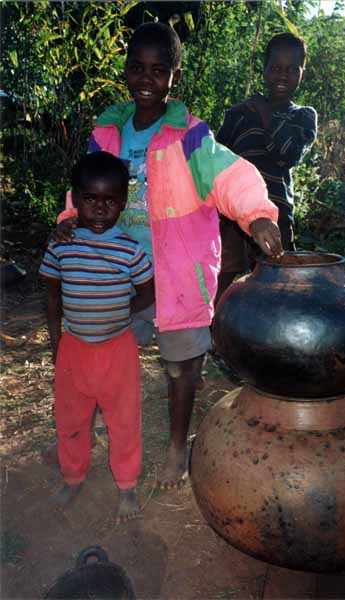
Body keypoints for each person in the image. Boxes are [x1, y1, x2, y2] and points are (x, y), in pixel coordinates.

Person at [55, 22, 283, 491]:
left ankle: (178, 447)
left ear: (174, 76)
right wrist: (69, 218)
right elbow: (85, 183)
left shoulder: (189, 135)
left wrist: (257, 215)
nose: (146, 79)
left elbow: (230, 174)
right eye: (137, 68)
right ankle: (97, 424)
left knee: (181, 368)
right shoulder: (107, 133)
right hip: (118, 273)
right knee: (101, 352)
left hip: (178, 278)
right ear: (125, 71)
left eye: (159, 70)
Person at [39, 151, 154, 522]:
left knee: (124, 420)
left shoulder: (130, 251)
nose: (100, 208)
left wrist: (120, 311)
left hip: (117, 351)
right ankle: (73, 477)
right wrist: (57, 345)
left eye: (109, 200)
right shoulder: (61, 244)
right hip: (74, 348)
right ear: (76, 199)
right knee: (70, 417)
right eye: (90, 199)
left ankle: (127, 485)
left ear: (122, 203)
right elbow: (53, 296)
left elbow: (149, 291)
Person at [215, 32, 317, 303]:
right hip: (233, 215)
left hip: (275, 213)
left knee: (276, 281)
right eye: (275, 68)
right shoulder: (238, 114)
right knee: (223, 274)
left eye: (291, 69)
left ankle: (272, 339)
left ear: (301, 73)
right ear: (264, 70)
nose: (282, 75)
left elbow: (286, 154)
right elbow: (216, 161)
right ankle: (216, 336)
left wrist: (264, 111)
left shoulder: (302, 117)